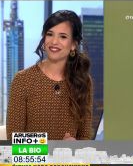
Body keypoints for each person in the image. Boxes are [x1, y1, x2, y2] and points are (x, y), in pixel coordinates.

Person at [6, 10, 93, 140]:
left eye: (63, 37)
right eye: (50, 34)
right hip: (32, 160)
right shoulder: (23, 80)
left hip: (69, 160)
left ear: (73, 45)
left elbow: (85, 137)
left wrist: (75, 147)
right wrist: (55, 149)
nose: (54, 41)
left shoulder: (83, 81)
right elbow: (14, 142)